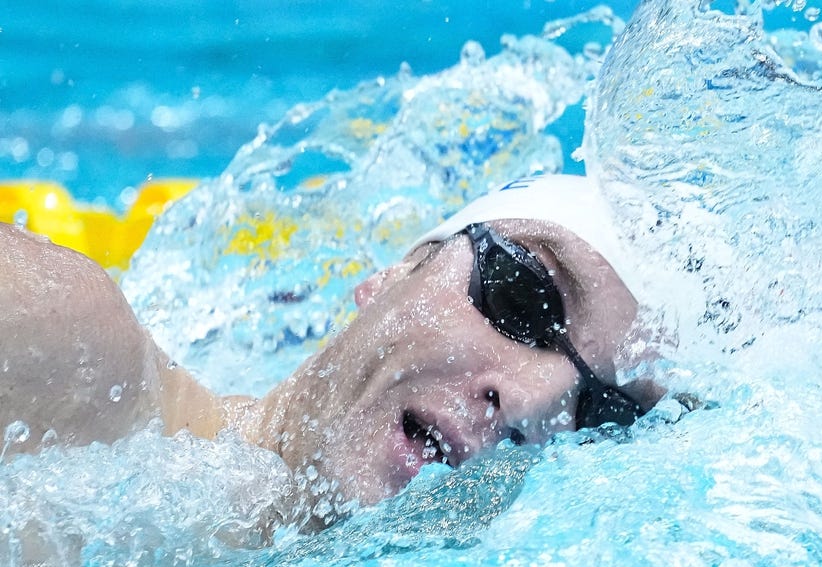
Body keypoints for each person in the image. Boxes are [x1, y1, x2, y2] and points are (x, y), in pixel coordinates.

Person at [0, 174, 657, 518]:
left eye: (599, 415)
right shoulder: (72, 352)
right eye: (523, 295)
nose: (530, 398)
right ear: (394, 274)